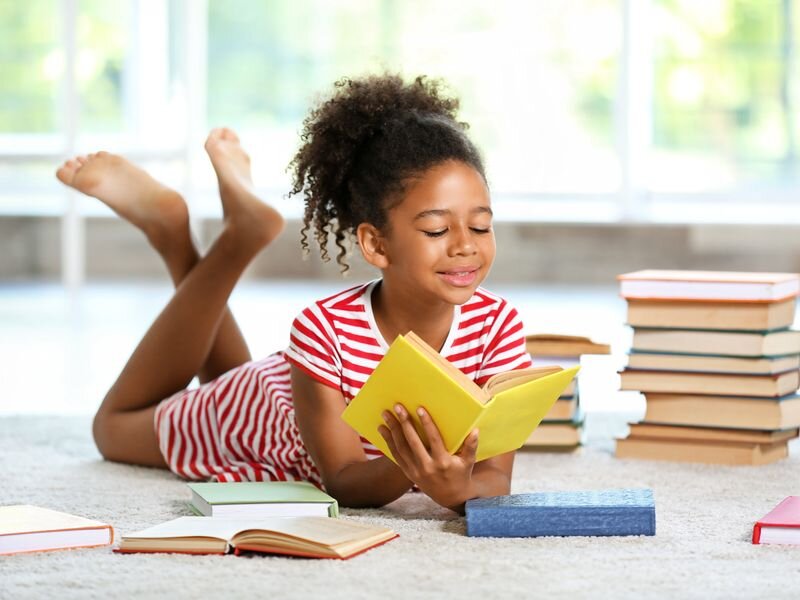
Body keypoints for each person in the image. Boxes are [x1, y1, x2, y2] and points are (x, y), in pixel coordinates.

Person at [55, 74, 532, 514]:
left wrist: (456, 492)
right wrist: (413, 468)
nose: (466, 245)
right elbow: (343, 479)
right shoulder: (325, 327)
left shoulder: (499, 327)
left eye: (480, 225)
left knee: (225, 373)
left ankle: (185, 233)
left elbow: (493, 479)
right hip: (263, 411)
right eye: (435, 229)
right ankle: (204, 238)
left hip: (297, 405)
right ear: (376, 244)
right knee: (112, 428)